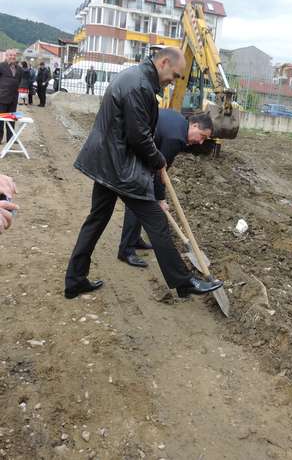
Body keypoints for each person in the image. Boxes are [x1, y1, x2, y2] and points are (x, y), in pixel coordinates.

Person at [64, 47, 223, 300]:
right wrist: (158, 160)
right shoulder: (140, 86)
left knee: (96, 220)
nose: (174, 80)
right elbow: (139, 135)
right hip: (120, 167)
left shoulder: (136, 78)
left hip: (107, 161)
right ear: (164, 62)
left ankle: (74, 279)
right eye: (176, 74)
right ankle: (183, 282)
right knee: (157, 222)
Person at [118, 110, 213, 267]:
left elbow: (161, 168)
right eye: (202, 136)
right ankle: (126, 250)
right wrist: (160, 199)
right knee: (138, 200)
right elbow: (159, 171)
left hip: (139, 151)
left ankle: (134, 240)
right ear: (194, 125)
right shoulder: (175, 138)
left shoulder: (179, 122)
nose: (201, 142)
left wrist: (158, 195)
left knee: (144, 196)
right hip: (131, 154)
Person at [0, 49, 22, 143]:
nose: (13, 57)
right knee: (0, 119)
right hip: (2, 97)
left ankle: (11, 138)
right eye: (10, 55)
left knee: (12, 119)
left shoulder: (19, 69)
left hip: (13, 98)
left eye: (14, 55)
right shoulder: (1, 66)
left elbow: (19, 80)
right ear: (6, 56)